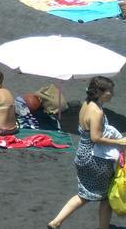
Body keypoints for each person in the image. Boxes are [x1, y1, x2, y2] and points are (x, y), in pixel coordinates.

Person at [47, 76, 126, 229]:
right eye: (110, 91)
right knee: (106, 195)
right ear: (101, 92)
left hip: (83, 154)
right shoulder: (97, 111)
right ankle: (103, 227)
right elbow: (96, 138)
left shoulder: (86, 104)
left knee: (84, 194)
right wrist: (119, 142)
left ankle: (56, 222)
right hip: (95, 158)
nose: (112, 94)